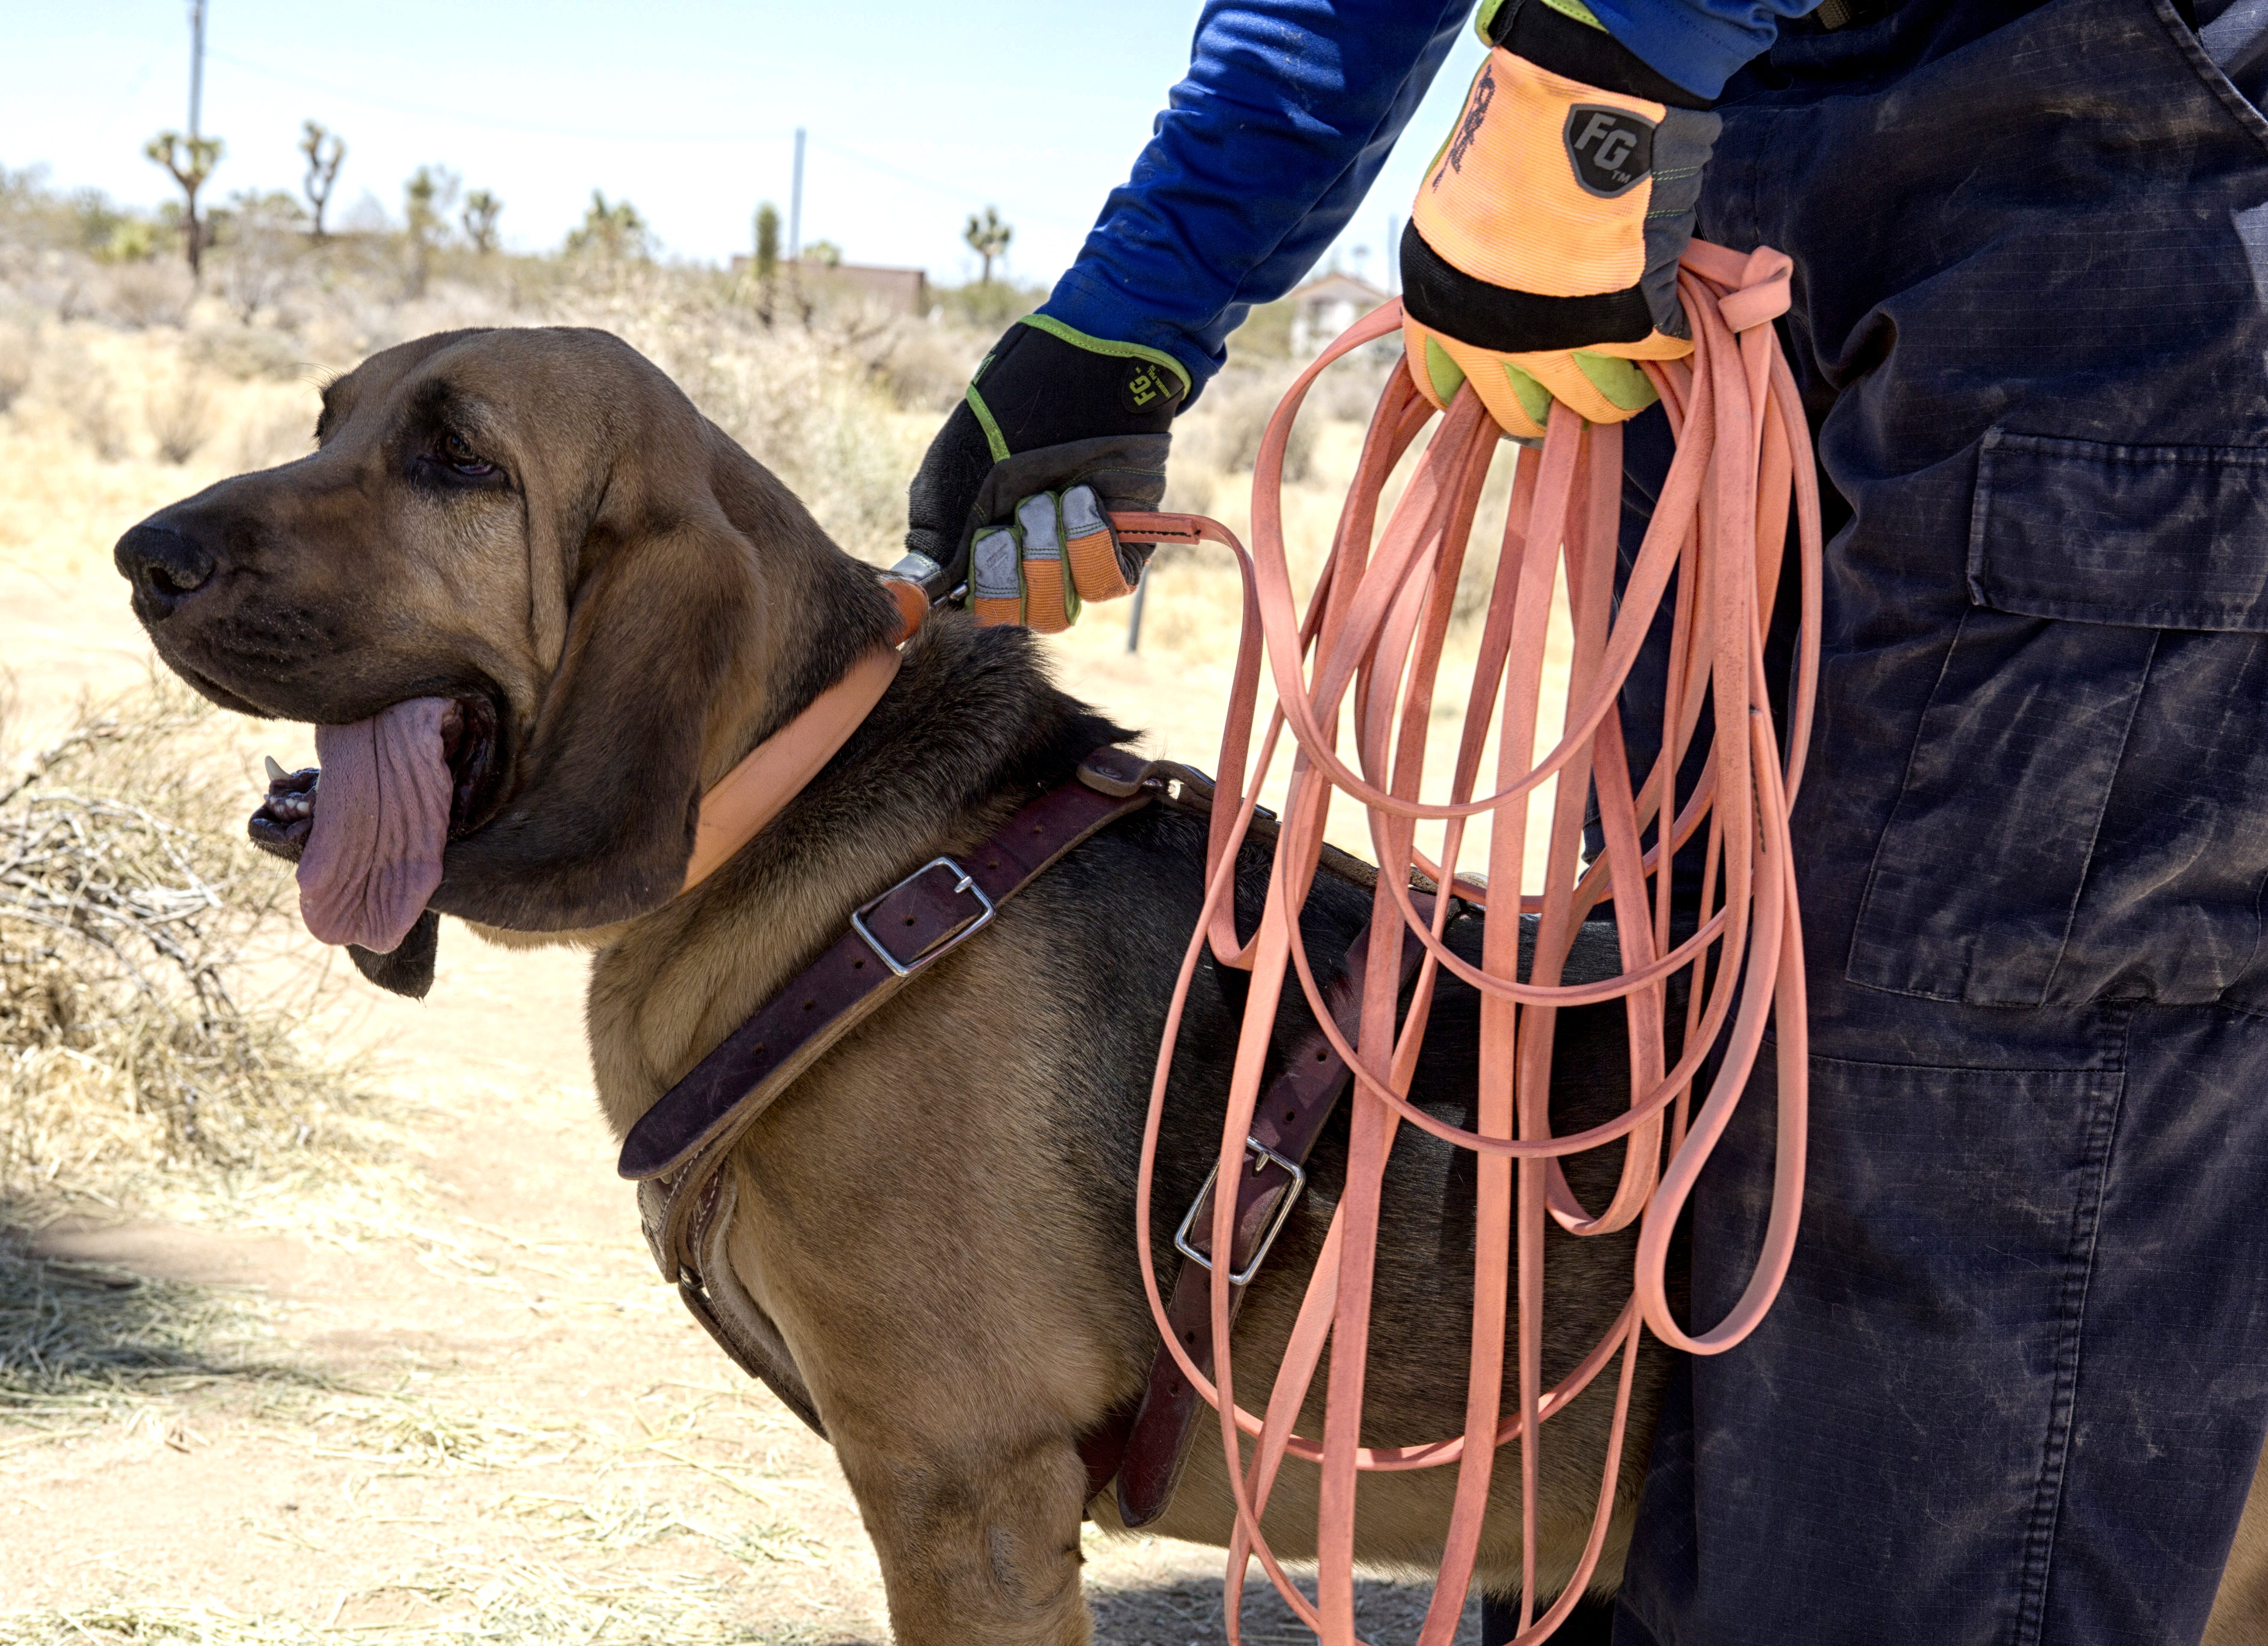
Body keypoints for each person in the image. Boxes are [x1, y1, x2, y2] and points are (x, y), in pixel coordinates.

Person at [903, 0, 2268, 1639]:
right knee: (1646, 1090)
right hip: (1724, 163)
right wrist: (1127, 318)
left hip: (2116, 168)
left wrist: (1616, 49)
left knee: (1963, 1159)